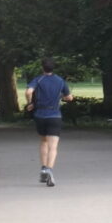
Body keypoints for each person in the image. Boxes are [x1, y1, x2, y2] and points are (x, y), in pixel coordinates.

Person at [26, 58, 74, 187]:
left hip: (40, 115)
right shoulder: (60, 81)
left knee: (43, 141)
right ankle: (49, 170)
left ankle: (43, 168)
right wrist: (64, 97)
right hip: (55, 115)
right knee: (53, 146)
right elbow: (69, 97)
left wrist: (30, 103)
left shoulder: (38, 79)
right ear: (54, 68)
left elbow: (29, 91)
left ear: (42, 68)